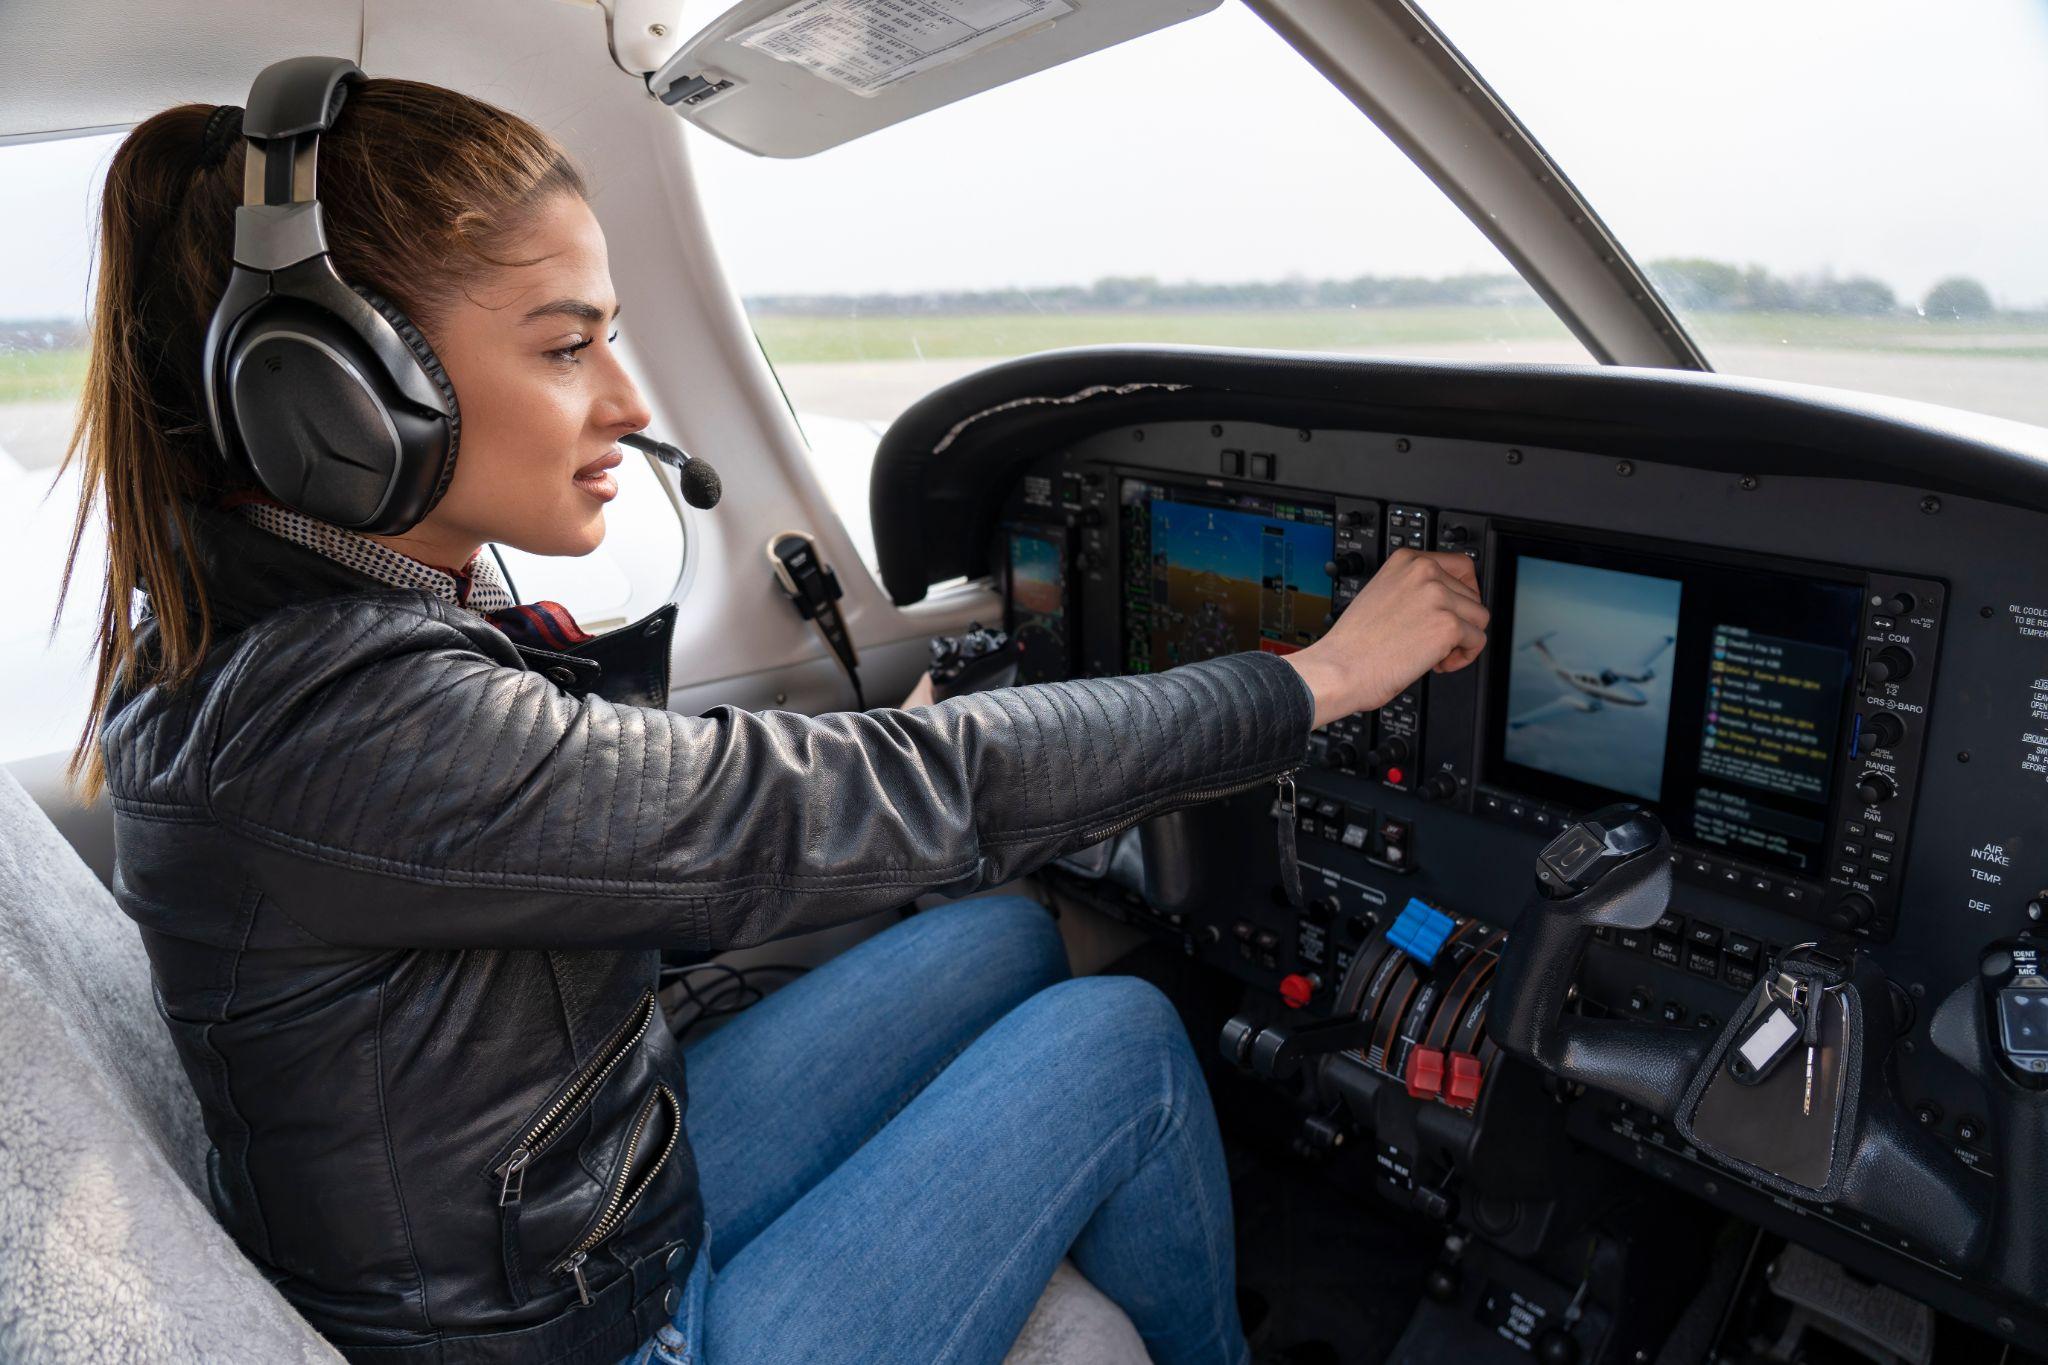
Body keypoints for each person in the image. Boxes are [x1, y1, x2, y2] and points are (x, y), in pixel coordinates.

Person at [59, 75, 1488, 1365]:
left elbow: (552, 867)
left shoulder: (286, 634)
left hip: (558, 1218)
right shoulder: (341, 718)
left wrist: (877, 770)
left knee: (997, 928)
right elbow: (828, 796)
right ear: (344, 397)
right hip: (591, 1334)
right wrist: (1318, 681)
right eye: (567, 350)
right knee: (1118, 1036)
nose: (627, 403)